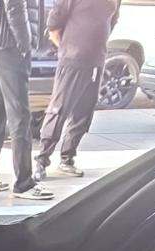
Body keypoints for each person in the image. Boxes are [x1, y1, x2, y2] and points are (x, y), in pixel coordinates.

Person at [0, 0, 54, 199]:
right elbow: (14, 5)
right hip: (9, 42)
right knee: (20, 115)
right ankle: (24, 184)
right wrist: (24, 43)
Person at [34, 0, 120, 182]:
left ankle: (67, 158)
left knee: (84, 113)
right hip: (72, 58)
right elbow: (55, 22)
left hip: (96, 60)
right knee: (59, 110)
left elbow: (112, 20)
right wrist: (67, 47)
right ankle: (41, 160)